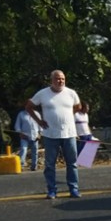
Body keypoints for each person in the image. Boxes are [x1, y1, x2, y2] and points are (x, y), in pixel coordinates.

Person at [26, 69, 82, 199]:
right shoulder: (43, 93)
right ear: (52, 80)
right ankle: (52, 190)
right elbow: (29, 106)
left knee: (72, 163)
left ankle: (73, 189)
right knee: (50, 164)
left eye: (62, 79)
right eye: (57, 78)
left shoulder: (71, 93)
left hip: (69, 134)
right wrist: (39, 121)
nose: (60, 81)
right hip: (50, 134)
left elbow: (78, 106)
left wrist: (68, 116)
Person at [14, 104, 42, 171]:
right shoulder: (21, 114)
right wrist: (20, 133)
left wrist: (40, 134)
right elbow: (17, 125)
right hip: (24, 136)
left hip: (35, 136)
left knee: (35, 151)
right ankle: (21, 165)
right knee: (23, 149)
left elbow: (40, 125)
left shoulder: (37, 114)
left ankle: (34, 166)